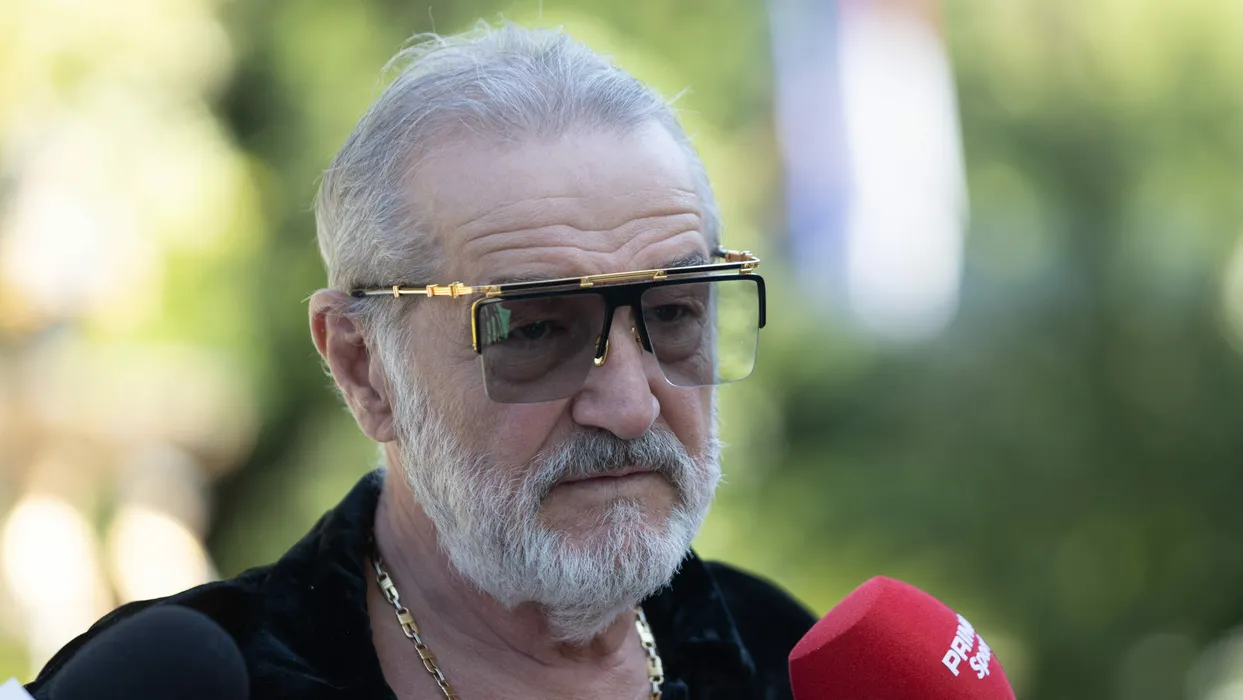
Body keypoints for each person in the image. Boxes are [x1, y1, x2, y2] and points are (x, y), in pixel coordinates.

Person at [27, 22, 814, 700]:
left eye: (673, 314)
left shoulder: (792, 659)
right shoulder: (192, 681)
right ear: (362, 366)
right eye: (537, 331)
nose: (631, 405)